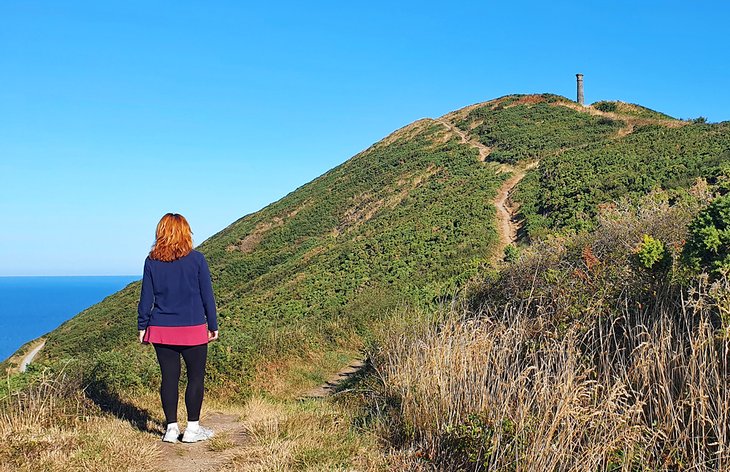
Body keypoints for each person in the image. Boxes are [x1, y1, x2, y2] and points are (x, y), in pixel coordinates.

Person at [137, 213, 219, 444]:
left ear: (160, 232)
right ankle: (192, 429)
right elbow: (207, 296)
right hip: (193, 328)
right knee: (195, 378)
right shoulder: (197, 259)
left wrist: (142, 326)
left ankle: (171, 429)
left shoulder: (151, 261)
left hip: (162, 329)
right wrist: (212, 325)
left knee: (169, 379)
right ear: (186, 232)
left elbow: (146, 298)